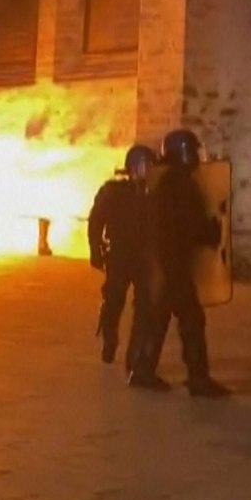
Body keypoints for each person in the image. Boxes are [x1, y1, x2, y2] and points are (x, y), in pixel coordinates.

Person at [128, 129, 230, 398]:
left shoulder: (167, 182)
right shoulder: (179, 185)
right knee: (191, 321)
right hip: (173, 263)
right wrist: (209, 231)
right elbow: (185, 225)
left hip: (167, 262)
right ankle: (197, 378)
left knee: (162, 318)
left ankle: (144, 370)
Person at [88, 144, 157, 369]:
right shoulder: (113, 191)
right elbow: (96, 220)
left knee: (145, 306)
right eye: (142, 166)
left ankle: (136, 357)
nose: (145, 171)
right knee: (114, 300)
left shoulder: (155, 195)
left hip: (145, 257)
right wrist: (95, 249)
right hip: (119, 254)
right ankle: (109, 340)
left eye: (149, 166)